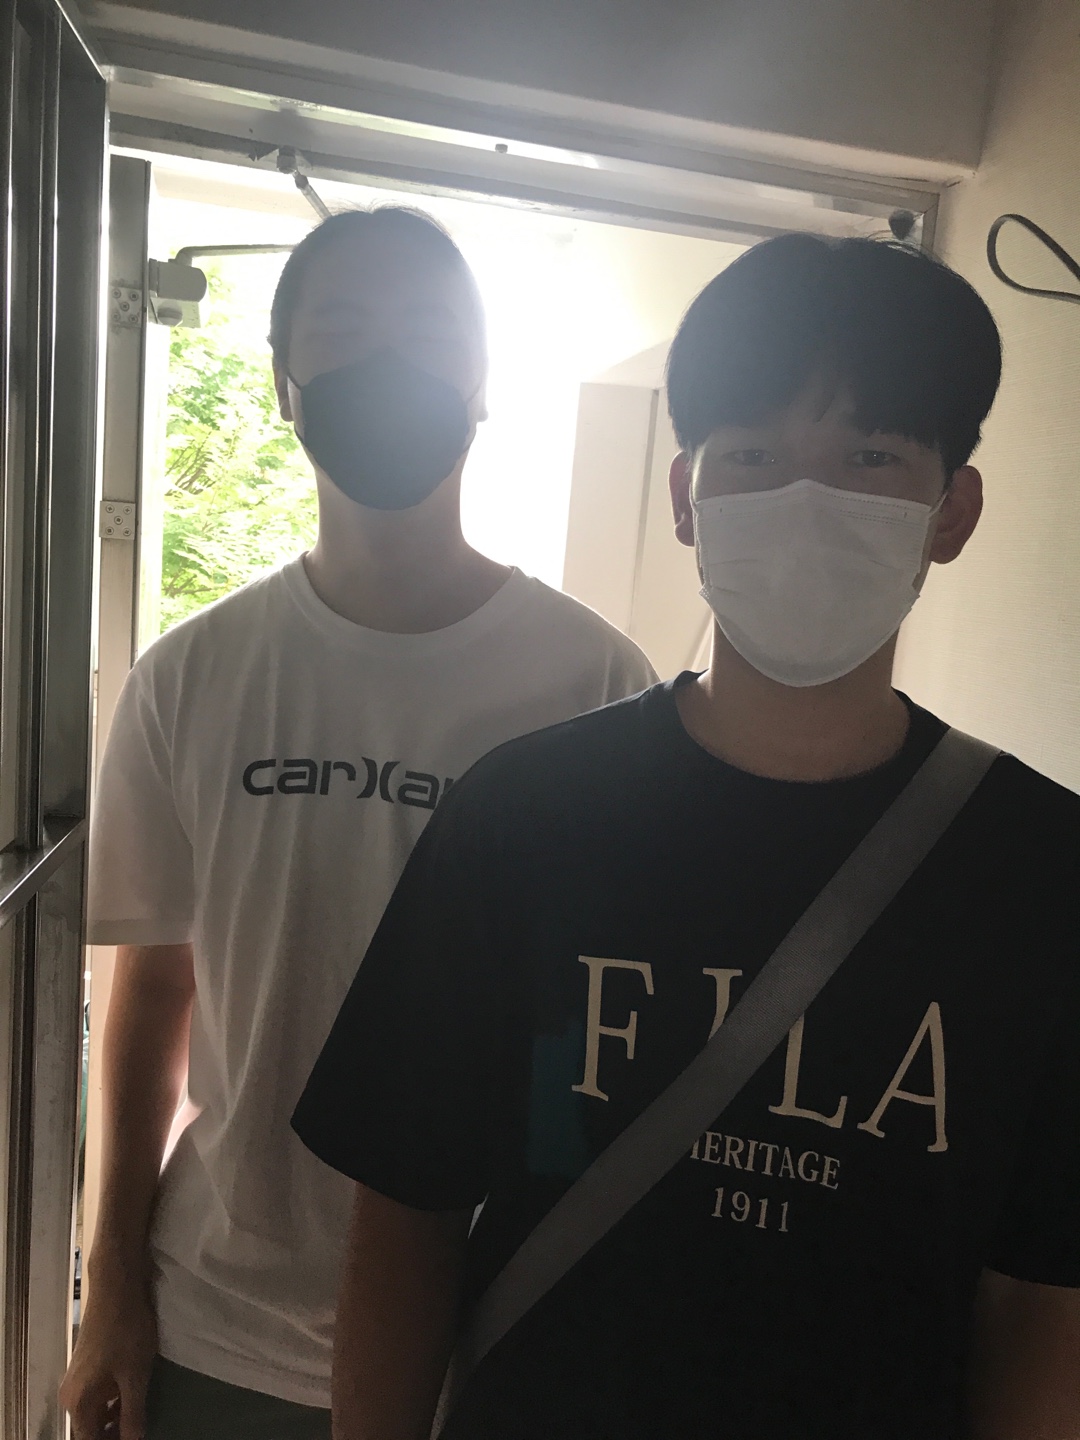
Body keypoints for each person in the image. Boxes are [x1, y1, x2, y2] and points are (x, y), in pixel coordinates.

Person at [293, 233, 1080, 1440]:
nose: (806, 502)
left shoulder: (1042, 872)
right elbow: (406, 1217)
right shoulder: (525, 816)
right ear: (684, 499)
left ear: (952, 512)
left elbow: (1039, 1301)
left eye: (871, 456)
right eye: (754, 454)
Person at [62, 205, 655, 1440]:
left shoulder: (594, 683)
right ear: (283, 384)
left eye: (430, 331)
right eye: (342, 329)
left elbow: (604, 1027)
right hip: (215, 1321)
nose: (389, 362)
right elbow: (155, 992)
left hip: (479, 1330)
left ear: (484, 383)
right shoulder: (191, 677)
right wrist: (110, 1284)